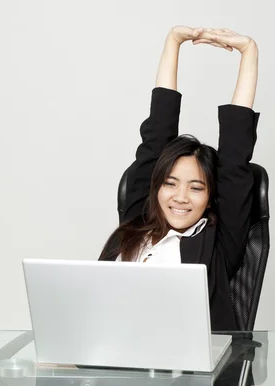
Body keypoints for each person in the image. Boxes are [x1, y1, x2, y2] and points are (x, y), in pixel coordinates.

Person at [99, 26, 260, 332]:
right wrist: (173, 42)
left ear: (211, 196)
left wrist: (248, 51)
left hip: (182, 373)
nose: (180, 197)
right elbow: (155, 136)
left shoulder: (216, 243)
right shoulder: (136, 221)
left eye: (196, 187)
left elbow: (234, 160)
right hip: (108, 358)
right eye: (170, 183)